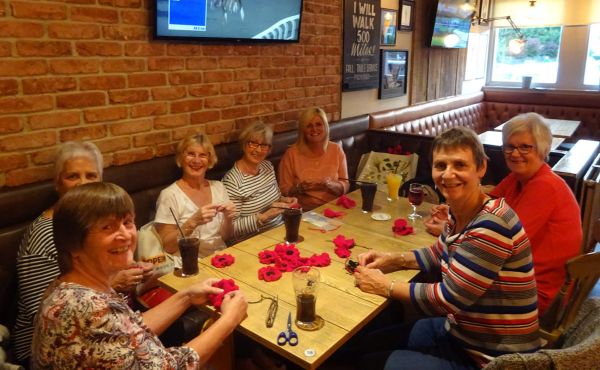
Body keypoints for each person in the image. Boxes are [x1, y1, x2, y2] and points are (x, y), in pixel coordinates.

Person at [354, 127, 540, 369]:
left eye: (460, 165)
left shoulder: (492, 225)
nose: (448, 175)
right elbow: (437, 252)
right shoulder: (460, 208)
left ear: (481, 167)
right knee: (369, 342)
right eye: (440, 166)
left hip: (492, 359)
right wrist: (394, 259)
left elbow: (448, 299)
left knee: (370, 364)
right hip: (461, 334)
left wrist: (385, 286)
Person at [31, 182, 248, 368]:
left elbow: (130, 331)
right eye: (107, 227)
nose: (125, 235)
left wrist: (187, 296)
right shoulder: (82, 310)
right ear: (73, 244)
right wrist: (229, 320)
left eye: (127, 222)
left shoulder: (78, 288)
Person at [424, 113, 582, 314]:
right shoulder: (518, 178)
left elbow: (502, 240)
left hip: (532, 295)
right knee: (448, 276)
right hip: (511, 278)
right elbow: (483, 204)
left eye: (525, 147)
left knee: (453, 287)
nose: (515, 154)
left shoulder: (545, 186)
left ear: (543, 149)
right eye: (510, 146)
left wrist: (448, 230)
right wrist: (453, 208)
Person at [13, 141, 151, 367]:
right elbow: (43, 311)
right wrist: (117, 281)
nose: (82, 184)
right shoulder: (43, 235)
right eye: (73, 176)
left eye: (91, 176)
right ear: (58, 183)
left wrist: (132, 270)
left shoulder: (103, 224)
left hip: (114, 323)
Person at [155, 133, 236, 259]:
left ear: (209, 159)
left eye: (202, 155)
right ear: (181, 158)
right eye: (191, 154)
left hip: (220, 257)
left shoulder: (219, 187)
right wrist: (193, 222)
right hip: (188, 263)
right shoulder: (169, 195)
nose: (196, 160)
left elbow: (226, 237)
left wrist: (229, 218)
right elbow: (167, 246)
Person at [222, 122, 297, 243]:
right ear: (244, 144)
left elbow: (275, 198)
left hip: (279, 230)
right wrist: (264, 216)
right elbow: (231, 230)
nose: (258, 149)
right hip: (251, 241)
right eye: (253, 143)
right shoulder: (233, 181)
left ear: (269, 149)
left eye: (264, 145)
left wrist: (285, 200)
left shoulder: (267, 166)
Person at [278, 107, 350, 210]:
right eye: (309, 126)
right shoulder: (291, 154)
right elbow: (284, 190)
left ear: (325, 127)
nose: (314, 129)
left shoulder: (336, 150)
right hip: (305, 211)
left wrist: (331, 185)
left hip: (335, 207)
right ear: (303, 130)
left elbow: (346, 185)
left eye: (318, 124)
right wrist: (299, 188)